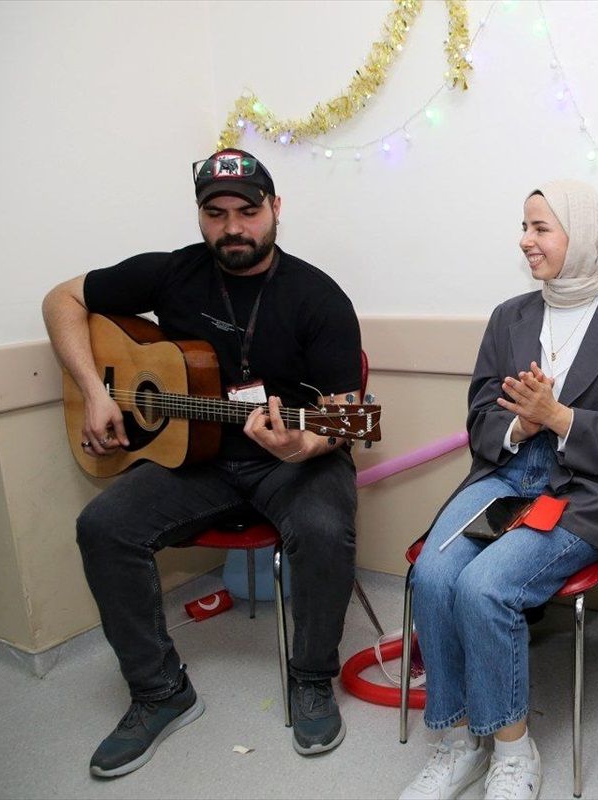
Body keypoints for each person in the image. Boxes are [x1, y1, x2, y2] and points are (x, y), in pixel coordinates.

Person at [41, 149, 363, 776]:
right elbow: (62, 300)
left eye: (247, 210)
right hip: (197, 458)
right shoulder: (170, 274)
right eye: (215, 214)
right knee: (103, 527)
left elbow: (348, 409)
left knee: (324, 527)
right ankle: (160, 693)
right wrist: (98, 390)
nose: (233, 227)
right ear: (200, 216)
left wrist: (305, 444)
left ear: (276, 209)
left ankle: (312, 678)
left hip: (292, 457)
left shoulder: (317, 296)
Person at [398, 180, 598, 800]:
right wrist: (523, 423)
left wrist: (559, 417)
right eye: (524, 227)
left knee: (485, 587)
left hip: (587, 492)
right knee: (435, 577)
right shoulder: (509, 318)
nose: (526, 241)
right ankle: (457, 741)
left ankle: (514, 753)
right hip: (507, 473)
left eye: (541, 228)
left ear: (583, 236)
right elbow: (479, 420)